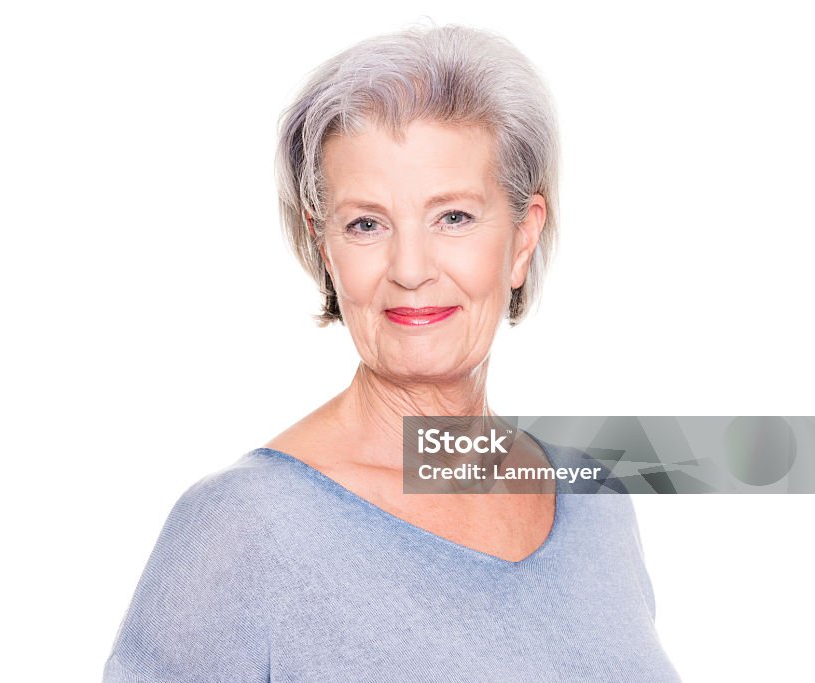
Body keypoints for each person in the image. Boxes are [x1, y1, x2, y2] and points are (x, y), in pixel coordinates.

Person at [103, 24, 680, 682]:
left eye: (453, 216)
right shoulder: (242, 529)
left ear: (522, 238)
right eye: (366, 224)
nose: (409, 268)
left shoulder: (595, 502)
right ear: (328, 251)